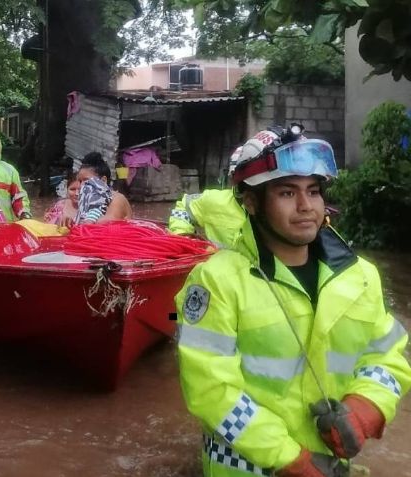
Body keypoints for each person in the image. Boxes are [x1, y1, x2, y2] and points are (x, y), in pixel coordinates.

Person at [175, 129, 410, 476]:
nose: (305, 206)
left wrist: (366, 408)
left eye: (313, 192)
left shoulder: (360, 276)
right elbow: (211, 389)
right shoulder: (217, 282)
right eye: (287, 192)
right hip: (246, 468)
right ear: (251, 203)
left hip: (330, 465)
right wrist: (290, 459)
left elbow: (388, 357)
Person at [168, 145, 246, 248]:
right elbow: (184, 206)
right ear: (231, 178)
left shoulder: (270, 211)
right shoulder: (216, 201)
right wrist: (182, 236)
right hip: (218, 262)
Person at [75, 152, 132, 223]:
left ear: (103, 181)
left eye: (86, 180)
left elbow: (110, 223)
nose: (81, 186)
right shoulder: (87, 201)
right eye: (80, 181)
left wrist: (86, 222)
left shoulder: (117, 198)